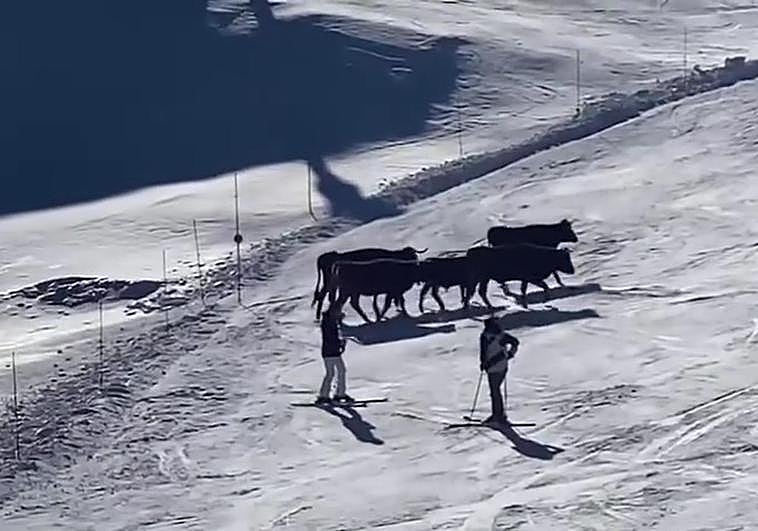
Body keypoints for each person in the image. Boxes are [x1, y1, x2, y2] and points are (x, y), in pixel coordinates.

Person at [479, 317, 519, 424]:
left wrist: (483, 364)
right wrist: (510, 354)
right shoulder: (495, 335)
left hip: (495, 367)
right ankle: (498, 414)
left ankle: (498, 415)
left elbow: (483, 352)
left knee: (495, 391)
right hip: (498, 366)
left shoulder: (489, 336)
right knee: (495, 391)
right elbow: (515, 342)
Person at [316, 305, 352, 404]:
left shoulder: (328, 322)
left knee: (333, 372)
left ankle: (326, 395)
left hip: (330, 351)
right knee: (338, 371)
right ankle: (338, 394)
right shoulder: (329, 323)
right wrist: (340, 343)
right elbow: (332, 337)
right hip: (332, 351)